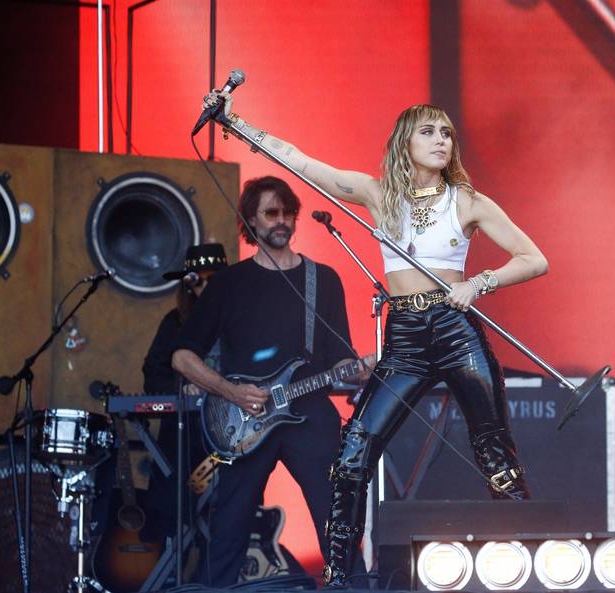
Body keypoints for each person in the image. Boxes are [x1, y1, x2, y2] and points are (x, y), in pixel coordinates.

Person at [204, 93, 548, 586]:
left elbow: (533, 258)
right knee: (351, 456)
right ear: (404, 143)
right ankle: (344, 580)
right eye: (428, 132)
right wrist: (234, 123)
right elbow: (300, 162)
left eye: (446, 133)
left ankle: (530, 569)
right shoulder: (379, 194)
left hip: (454, 331)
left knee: (495, 454)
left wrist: (479, 283)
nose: (440, 141)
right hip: (405, 336)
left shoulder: (468, 201)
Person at [171, 176, 371, 587]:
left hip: (310, 415)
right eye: (271, 213)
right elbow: (182, 356)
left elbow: (341, 359)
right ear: (251, 220)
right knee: (227, 530)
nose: (282, 221)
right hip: (244, 420)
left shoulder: (324, 280)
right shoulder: (229, 284)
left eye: (287, 212)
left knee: (338, 524)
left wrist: (363, 369)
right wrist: (230, 391)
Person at [141, 242, 228, 545]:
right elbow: (153, 374)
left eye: (212, 279)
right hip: (184, 436)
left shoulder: (238, 320)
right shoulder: (174, 321)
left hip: (229, 433)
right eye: (196, 280)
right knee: (172, 504)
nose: (204, 286)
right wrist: (182, 388)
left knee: (226, 511)